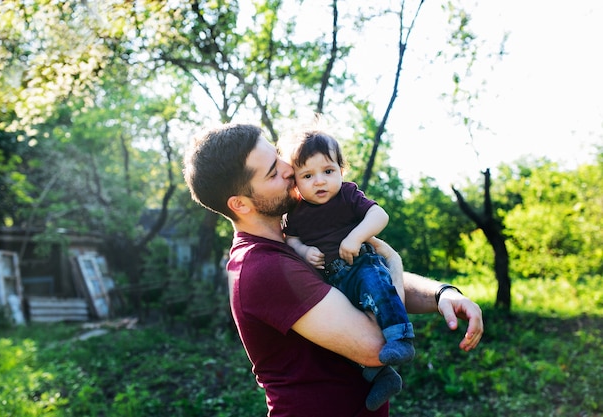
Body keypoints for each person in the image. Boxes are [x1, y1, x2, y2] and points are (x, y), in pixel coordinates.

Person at [183, 122, 484, 417]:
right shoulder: (266, 268)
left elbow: (362, 281)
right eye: (273, 172)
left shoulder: (298, 236)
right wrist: (393, 261)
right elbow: (376, 345)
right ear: (241, 204)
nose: (289, 168)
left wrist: (441, 294)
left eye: (277, 156)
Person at [279, 129, 414, 411]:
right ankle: (381, 375)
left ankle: (400, 336)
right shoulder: (296, 212)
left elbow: (379, 215)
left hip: (360, 262)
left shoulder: (348, 196)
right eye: (308, 176)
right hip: (332, 279)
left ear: (342, 170)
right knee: (339, 335)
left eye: (328, 171)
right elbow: (291, 239)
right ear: (296, 182)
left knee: (378, 288)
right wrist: (304, 251)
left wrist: (356, 237)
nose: (320, 181)